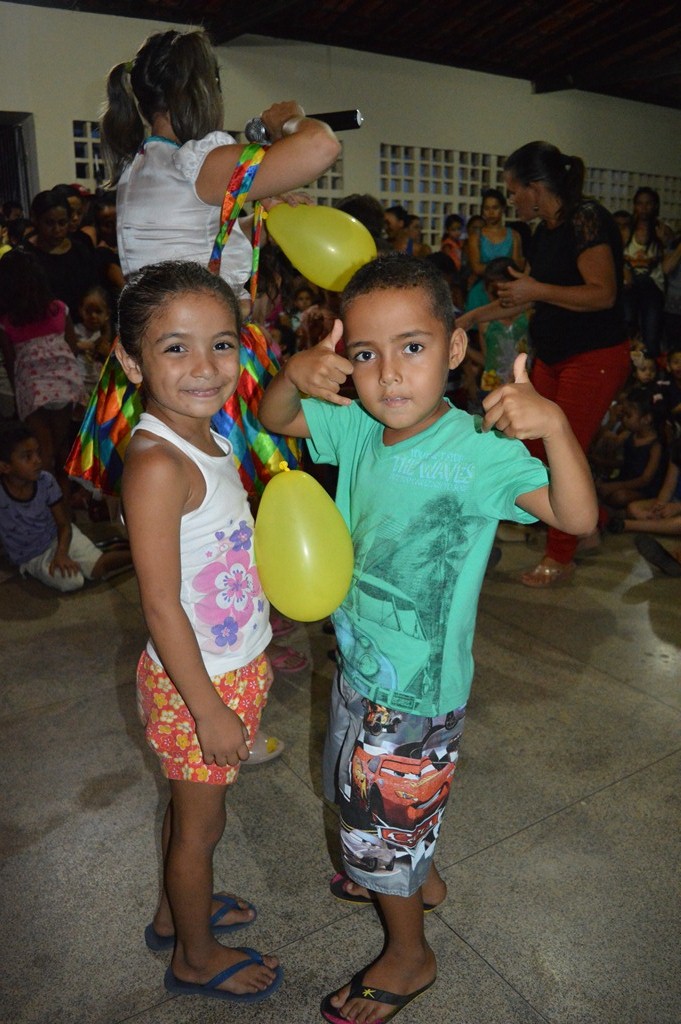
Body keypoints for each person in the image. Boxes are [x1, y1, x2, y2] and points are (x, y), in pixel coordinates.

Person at [258, 253, 597, 1024]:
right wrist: (292, 372)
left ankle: (408, 953)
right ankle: (417, 873)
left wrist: (553, 426)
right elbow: (276, 417)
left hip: (415, 689)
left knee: (378, 820)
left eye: (411, 347)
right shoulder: (356, 425)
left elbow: (575, 517)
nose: (387, 375)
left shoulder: (475, 452)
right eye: (364, 354)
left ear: (454, 348)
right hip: (359, 662)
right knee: (374, 802)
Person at [115, 260, 283, 1003]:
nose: (205, 367)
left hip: (225, 666)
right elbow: (160, 605)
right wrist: (208, 709)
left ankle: (173, 914)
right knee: (200, 831)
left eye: (221, 344)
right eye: (175, 347)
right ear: (131, 362)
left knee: (189, 814)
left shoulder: (210, 436)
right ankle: (194, 955)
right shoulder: (158, 461)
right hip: (197, 685)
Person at [464, 140, 630, 587]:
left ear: (536, 188)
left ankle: (561, 555)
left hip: (594, 355)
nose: (512, 200)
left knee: (562, 451)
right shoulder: (542, 233)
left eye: (513, 191)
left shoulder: (586, 219)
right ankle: (588, 526)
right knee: (530, 447)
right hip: (553, 357)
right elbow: (525, 297)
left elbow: (603, 293)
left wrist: (536, 291)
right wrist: (468, 319)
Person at [0, 422, 131, 590]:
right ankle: (99, 549)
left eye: (38, 453)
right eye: (27, 457)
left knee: (97, 569)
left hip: (59, 538)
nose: (37, 460)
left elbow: (64, 524)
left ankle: (140, 556)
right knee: (73, 581)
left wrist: (61, 553)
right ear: (5, 467)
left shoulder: (45, 481)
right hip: (32, 556)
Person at [0, 249, 82, 496]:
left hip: (33, 389)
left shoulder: (7, 322)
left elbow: (11, 362)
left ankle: (47, 506)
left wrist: (19, 397)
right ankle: (65, 505)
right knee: (61, 447)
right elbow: (72, 347)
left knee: (42, 452)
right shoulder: (59, 309)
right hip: (64, 384)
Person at [21, 190, 100, 324]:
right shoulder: (24, 256)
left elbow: (94, 290)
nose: (57, 230)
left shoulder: (80, 251)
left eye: (62, 223)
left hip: (81, 326)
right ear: (36, 220)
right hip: (41, 329)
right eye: (49, 223)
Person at [596, 387, 665, 509]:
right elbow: (626, 463)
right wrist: (602, 462)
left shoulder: (655, 445)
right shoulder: (630, 435)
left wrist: (615, 486)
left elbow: (645, 479)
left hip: (643, 490)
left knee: (620, 496)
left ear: (646, 419)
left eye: (628, 416)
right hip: (624, 480)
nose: (624, 419)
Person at [622, 187, 666, 358]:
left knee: (651, 332)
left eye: (648, 204)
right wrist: (624, 270)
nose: (644, 208)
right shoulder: (626, 231)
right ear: (634, 206)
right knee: (627, 326)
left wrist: (664, 242)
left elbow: (668, 264)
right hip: (629, 285)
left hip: (653, 287)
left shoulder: (661, 231)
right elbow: (615, 256)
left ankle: (651, 366)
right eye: (640, 203)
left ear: (655, 206)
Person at [465, 188, 524, 313]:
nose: (491, 212)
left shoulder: (514, 236)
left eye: (495, 208)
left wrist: (492, 268)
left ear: (503, 209)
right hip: (481, 291)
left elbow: (517, 266)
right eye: (487, 208)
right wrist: (504, 268)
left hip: (507, 291)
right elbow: (476, 267)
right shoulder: (476, 237)